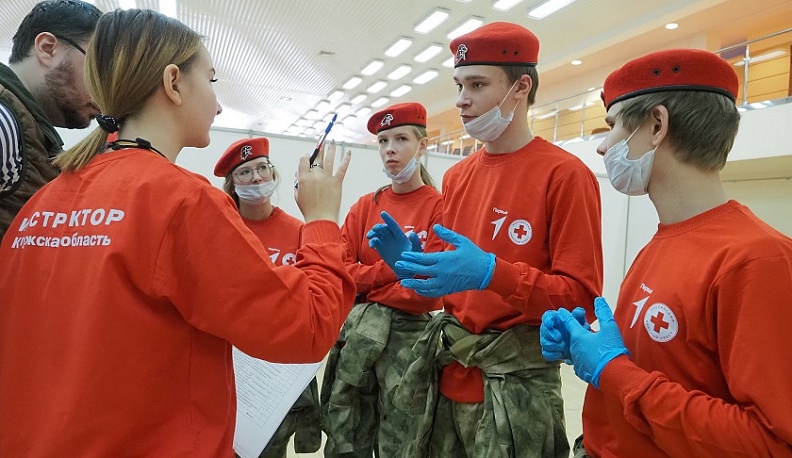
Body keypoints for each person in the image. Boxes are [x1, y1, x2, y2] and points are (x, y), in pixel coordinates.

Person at [0, 9, 355, 457]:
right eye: (211, 80)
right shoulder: (183, 201)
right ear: (173, 82)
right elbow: (307, 327)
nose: (219, 104)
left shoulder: (45, 202)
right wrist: (322, 220)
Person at [540, 48, 792, 457]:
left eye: (614, 126)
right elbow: (669, 368)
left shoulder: (756, 261)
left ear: (656, 125)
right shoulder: (663, 241)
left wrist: (614, 372)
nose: (604, 148)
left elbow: (771, 444)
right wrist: (584, 347)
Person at [369, 22, 604, 457]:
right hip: (447, 376)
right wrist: (416, 264)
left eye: (476, 85)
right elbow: (448, 275)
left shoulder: (565, 175)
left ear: (521, 87)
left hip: (518, 391)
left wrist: (494, 274)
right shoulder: (458, 177)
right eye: (459, 85)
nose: (461, 100)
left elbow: (581, 299)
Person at [321, 102, 444, 457]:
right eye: (383, 140)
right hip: (359, 337)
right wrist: (394, 270)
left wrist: (372, 283)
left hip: (411, 342)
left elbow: (426, 293)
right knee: (349, 434)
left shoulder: (440, 207)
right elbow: (342, 273)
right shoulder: (365, 206)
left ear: (422, 146)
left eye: (401, 139)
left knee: (403, 439)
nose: (390, 149)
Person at [214, 137, 322, 457]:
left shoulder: (298, 231)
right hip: (231, 362)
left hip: (279, 365)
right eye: (245, 173)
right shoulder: (222, 229)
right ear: (232, 184)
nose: (257, 178)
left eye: (262, 168)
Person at [0, 0, 102, 240]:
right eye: (98, 69)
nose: (103, 93)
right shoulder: (5, 122)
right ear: (47, 48)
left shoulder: (28, 131)